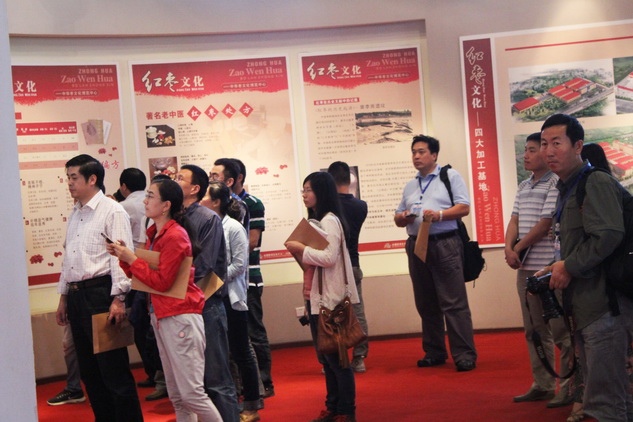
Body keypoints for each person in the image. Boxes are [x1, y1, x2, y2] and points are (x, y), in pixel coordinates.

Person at [540, 113, 631, 422]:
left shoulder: (595, 182)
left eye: (557, 143)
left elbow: (608, 235)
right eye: (544, 144)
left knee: (604, 400)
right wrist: (556, 265)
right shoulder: (568, 187)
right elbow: (578, 243)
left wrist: (568, 266)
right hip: (585, 305)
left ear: (578, 146)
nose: (549, 151)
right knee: (612, 395)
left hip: (604, 305)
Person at [108, 178, 222, 422]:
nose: (145, 201)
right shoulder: (156, 234)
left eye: (150, 196)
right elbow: (145, 280)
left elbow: (162, 282)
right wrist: (124, 258)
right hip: (163, 316)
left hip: (179, 317)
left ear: (166, 205)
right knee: (178, 396)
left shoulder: (175, 235)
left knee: (192, 395)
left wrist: (131, 259)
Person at [54, 154, 143, 422]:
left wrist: (118, 299)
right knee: (89, 372)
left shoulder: (112, 210)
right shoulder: (76, 212)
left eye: (74, 177)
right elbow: (69, 258)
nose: (69, 183)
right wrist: (63, 298)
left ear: (92, 179)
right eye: (68, 177)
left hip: (101, 295)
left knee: (113, 371)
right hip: (77, 296)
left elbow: (120, 259)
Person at [394, 135, 477, 372]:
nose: (416, 156)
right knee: (425, 301)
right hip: (416, 244)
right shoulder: (411, 185)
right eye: (413, 152)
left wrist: (438, 215)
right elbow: (397, 217)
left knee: (453, 302)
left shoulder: (450, 176)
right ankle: (434, 352)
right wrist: (403, 217)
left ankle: (464, 354)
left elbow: (464, 207)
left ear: (434, 155)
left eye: (421, 152)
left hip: (444, 243)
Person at [504, 133, 573, 406]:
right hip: (525, 270)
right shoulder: (524, 184)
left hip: (548, 268)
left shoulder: (555, 183)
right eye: (527, 150)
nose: (527, 155)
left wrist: (517, 247)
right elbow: (514, 219)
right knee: (534, 330)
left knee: (560, 330)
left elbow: (545, 224)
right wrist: (508, 247)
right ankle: (543, 384)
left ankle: (569, 387)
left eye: (533, 150)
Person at [285, 171, 360, 422]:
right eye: (303, 190)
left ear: (322, 191)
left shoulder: (330, 220)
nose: (304, 195)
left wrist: (301, 248)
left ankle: (346, 411)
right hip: (317, 298)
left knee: (337, 361)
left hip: (330, 300)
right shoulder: (319, 220)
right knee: (327, 361)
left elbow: (329, 258)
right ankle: (333, 407)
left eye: (308, 190)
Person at [176, 164, 239, 422]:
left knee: (216, 378)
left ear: (194, 188)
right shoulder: (174, 217)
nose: (174, 181)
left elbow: (205, 267)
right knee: (192, 381)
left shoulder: (207, 218)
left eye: (180, 178)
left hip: (206, 303)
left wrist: (170, 279)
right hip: (181, 305)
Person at [207, 181, 263, 422]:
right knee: (221, 353)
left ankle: (252, 404)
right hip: (213, 296)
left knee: (241, 351)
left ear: (216, 202)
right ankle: (229, 402)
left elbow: (239, 265)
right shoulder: (209, 225)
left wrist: (214, 280)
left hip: (231, 297)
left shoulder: (233, 227)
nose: (201, 201)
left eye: (205, 197)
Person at [231, 158, 275, 397]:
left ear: (236, 178)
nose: (213, 180)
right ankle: (243, 384)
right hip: (228, 279)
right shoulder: (220, 205)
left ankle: (265, 382)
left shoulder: (252, 203)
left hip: (249, 277)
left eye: (217, 175)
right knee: (236, 336)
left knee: (254, 331)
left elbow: (251, 242)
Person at [327, 161, 369, 373]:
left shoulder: (327, 209)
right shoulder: (361, 206)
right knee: (357, 312)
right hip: (353, 264)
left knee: (331, 313)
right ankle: (359, 357)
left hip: (332, 267)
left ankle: (335, 357)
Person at [46, 324, 86, 406]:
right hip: (74, 316)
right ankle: (73, 389)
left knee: (94, 344)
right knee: (70, 345)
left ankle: (101, 392)